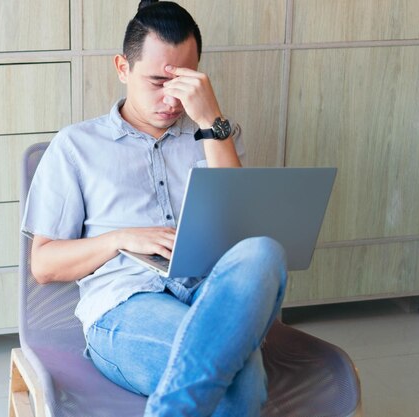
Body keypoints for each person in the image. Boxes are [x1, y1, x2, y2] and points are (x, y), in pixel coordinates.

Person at [21, 1, 287, 416]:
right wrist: (121, 238)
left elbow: (242, 232)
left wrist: (211, 118)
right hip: (125, 305)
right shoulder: (76, 146)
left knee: (265, 250)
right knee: (242, 382)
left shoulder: (214, 134)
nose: (171, 99)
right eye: (157, 82)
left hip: (208, 294)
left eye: (183, 83)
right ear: (122, 68)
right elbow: (44, 264)